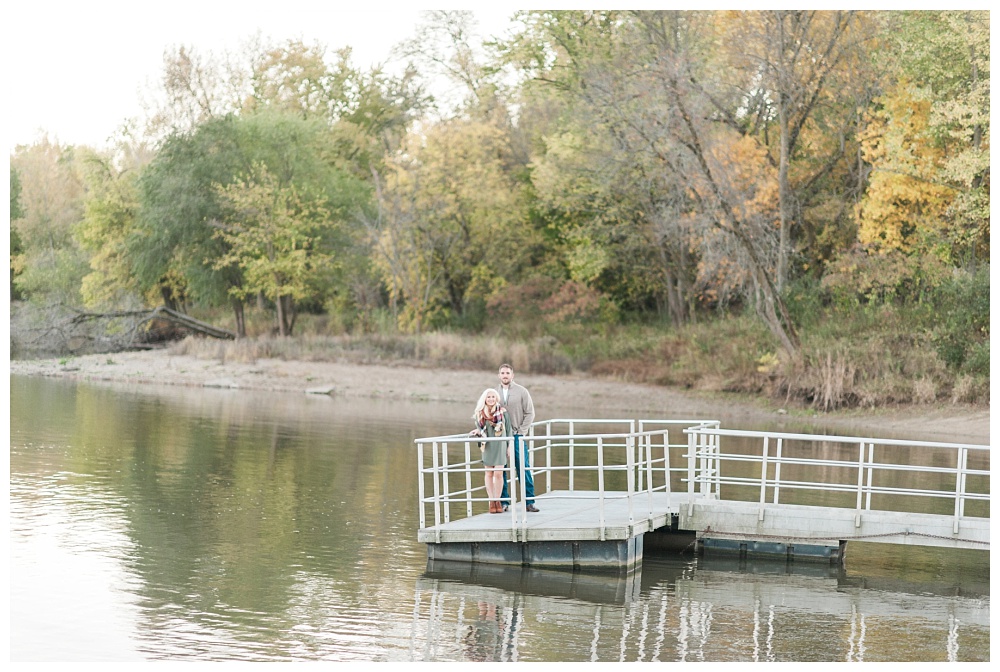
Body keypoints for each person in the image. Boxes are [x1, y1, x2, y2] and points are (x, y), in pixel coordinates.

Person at [496, 363, 539, 512]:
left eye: (507, 373)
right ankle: (504, 502)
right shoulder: (494, 393)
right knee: (501, 469)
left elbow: (530, 413)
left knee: (523, 467)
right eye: (502, 373)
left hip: (516, 436)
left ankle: (529, 501)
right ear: (499, 375)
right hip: (499, 438)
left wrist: (521, 432)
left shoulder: (522, 391)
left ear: (512, 375)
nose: (505, 375)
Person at [470, 388, 513, 513]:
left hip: (500, 446)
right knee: (489, 473)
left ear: (496, 399)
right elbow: (482, 430)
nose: (491, 399)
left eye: (493, 397)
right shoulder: (480, 414)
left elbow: (509, 431)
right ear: (485, 399)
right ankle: (491, 501)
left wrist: (509, 446)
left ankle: (497, 500)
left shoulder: (503, 412)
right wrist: (478, 431)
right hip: (487, 446)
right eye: (488, 397)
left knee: (499, 474)